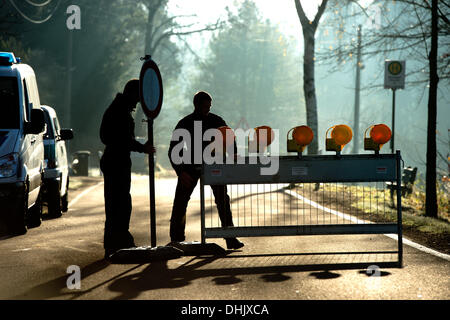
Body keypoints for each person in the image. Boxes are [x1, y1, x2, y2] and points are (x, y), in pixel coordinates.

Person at [168, 91, 244, 250]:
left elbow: (229, 138)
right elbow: (174, 150)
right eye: (204, 106)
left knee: (223, 201)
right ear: (196, 105)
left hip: (214, 166)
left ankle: (230, 238)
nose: (207, 109)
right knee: (180, 203)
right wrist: (181, 172)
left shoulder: (216, 120)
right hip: (189, 168)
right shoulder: (185, 123)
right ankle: (176, 240)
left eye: (209, 106)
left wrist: (234, 153)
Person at [99, 79, 154, 259]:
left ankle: (117, 241)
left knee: (117, 203)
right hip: (117, 161)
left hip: (115, 160)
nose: (138, 102)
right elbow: (124, 139)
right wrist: (142, 148)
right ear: (131, 94)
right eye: (138, 97)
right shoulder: (120, 112)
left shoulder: (116, 108)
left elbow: (109, 136)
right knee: (119, 204)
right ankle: (118, 242)